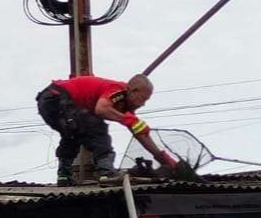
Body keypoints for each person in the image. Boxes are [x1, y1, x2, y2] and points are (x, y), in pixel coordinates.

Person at [36, 74, 177, 185]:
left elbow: (140, 134)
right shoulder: (118, 91)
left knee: (73, 133)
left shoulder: (126, 108)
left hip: (48, 102)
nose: (143, 104)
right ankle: (106, 173)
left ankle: (64, 176)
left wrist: (162, 157)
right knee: (97, 127)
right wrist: (127, 119)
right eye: (142, 99)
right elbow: (101, 109)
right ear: (133, 90)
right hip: (57, 98)